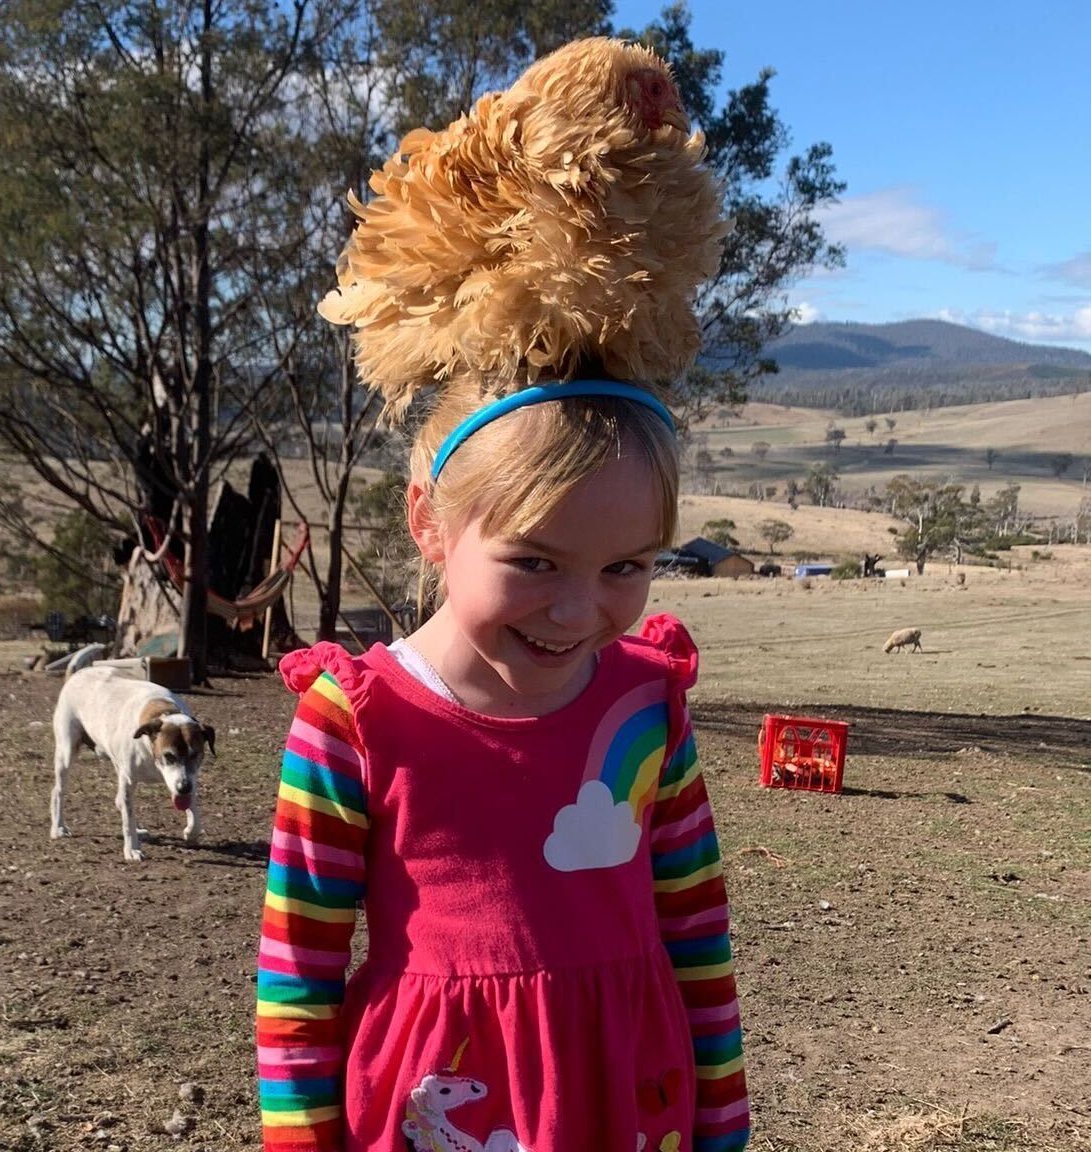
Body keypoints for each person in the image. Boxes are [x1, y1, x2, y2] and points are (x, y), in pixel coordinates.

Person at [255, 36, 748, 1152]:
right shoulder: (355, 726)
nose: (579, 611)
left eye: (626, 567)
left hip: (632, 1101)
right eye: (535, 562)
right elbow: (298, 985)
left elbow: (698, 936)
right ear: (431, 520)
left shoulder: (645, 704)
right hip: (447, 1116)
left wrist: (723, 1117)